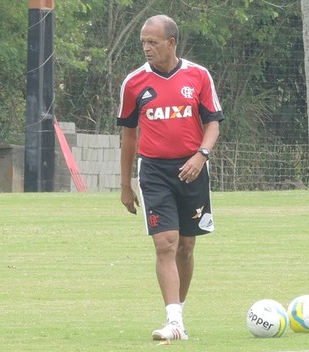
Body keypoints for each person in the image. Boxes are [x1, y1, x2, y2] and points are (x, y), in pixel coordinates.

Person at [117, 14, 224, 341]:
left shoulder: (199, 76)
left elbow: (213, 123)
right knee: (166, 243)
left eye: (153, 42)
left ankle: (179, 312)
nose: (147, 48)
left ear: (171, 42)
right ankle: (173, 321)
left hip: (193, 169)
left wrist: (201, 155)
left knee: (187, 247)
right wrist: (125, 184)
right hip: (154, 172)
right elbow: (129, 136)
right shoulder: (134, 83)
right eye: (143, 43)